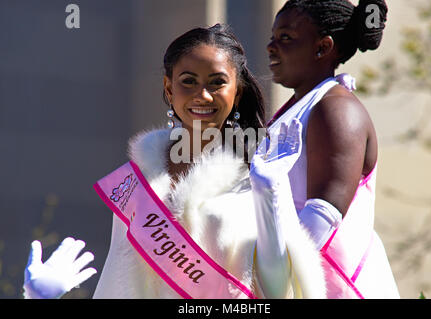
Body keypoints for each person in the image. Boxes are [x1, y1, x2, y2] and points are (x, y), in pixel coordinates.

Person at [23, 24, 327, 299]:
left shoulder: (261, 173)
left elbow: (279, 291)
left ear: (237, 92)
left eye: (217, 82)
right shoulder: (136, 180)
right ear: (169, 89)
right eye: (188, 81)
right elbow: (121, 283)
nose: (203, 96)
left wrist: (268, 192)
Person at [265, 0, 400, 298]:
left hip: (334, 287)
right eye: (274, 37)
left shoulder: (336, 109)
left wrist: (266, 281)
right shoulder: (297, 108)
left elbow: (321, 216)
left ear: (322, 47)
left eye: (285, 37)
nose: (271, 47)